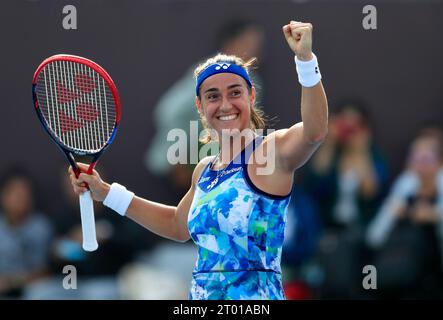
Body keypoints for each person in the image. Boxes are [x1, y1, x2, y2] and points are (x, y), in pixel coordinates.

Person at [69, 20, 328, 300]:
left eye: (235, 92)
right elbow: (177, 226)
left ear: (251, 96)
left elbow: (314, 132)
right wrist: (105, 192)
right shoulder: (204, 170)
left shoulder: (272, 151)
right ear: (200, 107)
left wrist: (305, 60)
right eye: (213, 96)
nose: (225, 104)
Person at [145, 19, 264, 197]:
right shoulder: (207, 74)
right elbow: (168, 111)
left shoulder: (251, 79)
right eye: (248, 43)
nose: (255, 51)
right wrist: (178, 160)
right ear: (230, 43)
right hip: (187, 176)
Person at [366, 127, 443, 298]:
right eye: (415, 158)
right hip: (404, 276)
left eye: (426, 158)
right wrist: (392, 215)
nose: (420, 165)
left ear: (439, 162)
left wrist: (435, 215)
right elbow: (374, 237)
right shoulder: (405, 185)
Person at [0, 166, 53, 298]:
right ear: (3, 196)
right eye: (16, 193)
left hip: (33, 291)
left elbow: (45, 272)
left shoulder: (41, 227)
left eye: (25, 194)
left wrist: (12, 282)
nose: (21, 198)